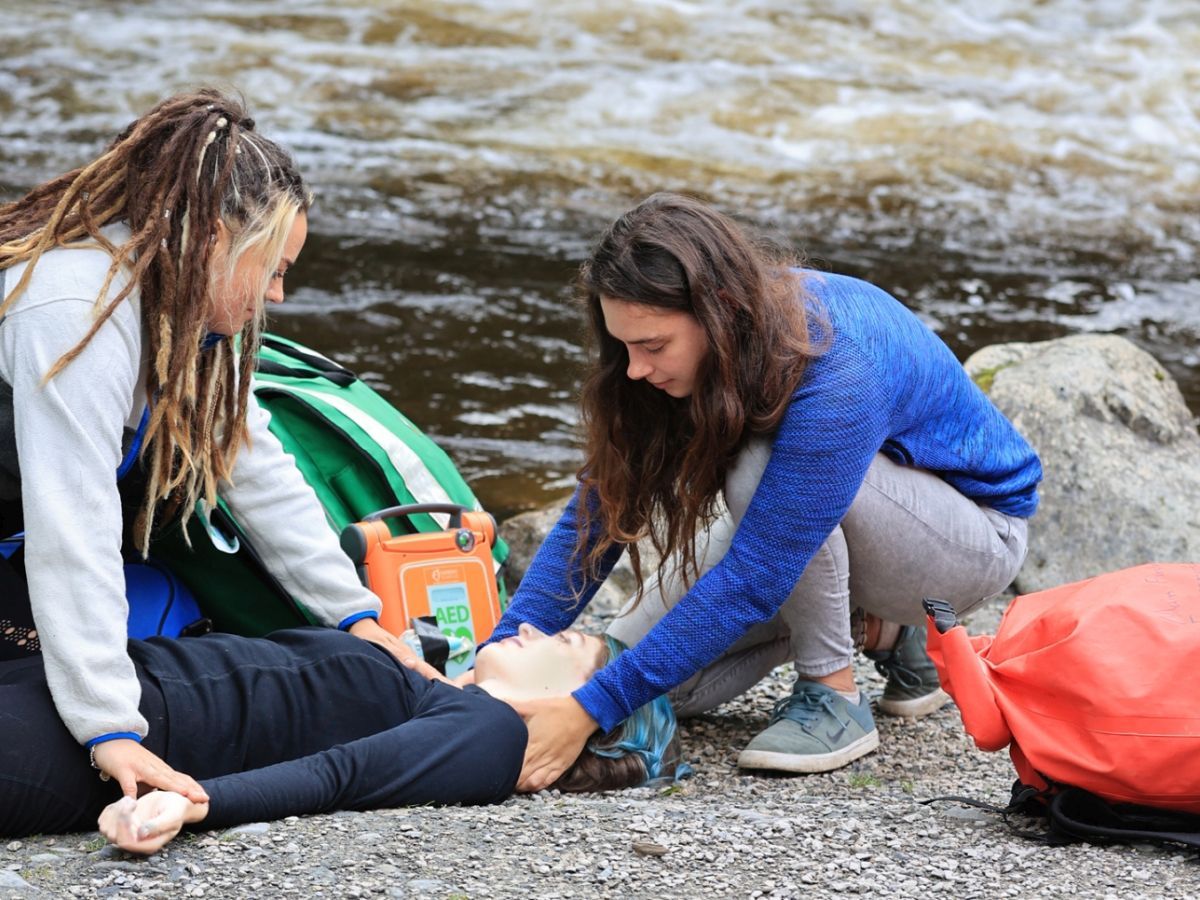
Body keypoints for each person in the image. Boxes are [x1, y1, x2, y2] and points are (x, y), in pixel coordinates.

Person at [488, 192, 1042, 789]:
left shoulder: (839, 359)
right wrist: (490, 661)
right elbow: (597, 515)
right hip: (811, 516)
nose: (634, 370)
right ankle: (878, 630)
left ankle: (833, 694)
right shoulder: (682, 353)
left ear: (719, 313)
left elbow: (756, 576)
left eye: (652, 347)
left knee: (754, 467)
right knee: (658, 682)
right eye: (624, 347)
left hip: (967, 542)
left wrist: (585, 712)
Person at [0, 89, 437, 804]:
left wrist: (359, 619)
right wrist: (110, 731)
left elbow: (259, 471)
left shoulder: (188, 313)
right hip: (32, 535)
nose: (279, 294)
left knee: (172, 615)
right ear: (210, 240)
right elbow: (71, 525)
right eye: (273, 270)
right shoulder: (73, 312)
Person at [0, 623, 685, 851]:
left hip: (126, 738)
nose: (530, 629)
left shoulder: (490, 736)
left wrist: (193, 801)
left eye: (562, 640)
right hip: (104, 680)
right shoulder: (440, 685)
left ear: (580, 710)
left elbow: (340, 776)